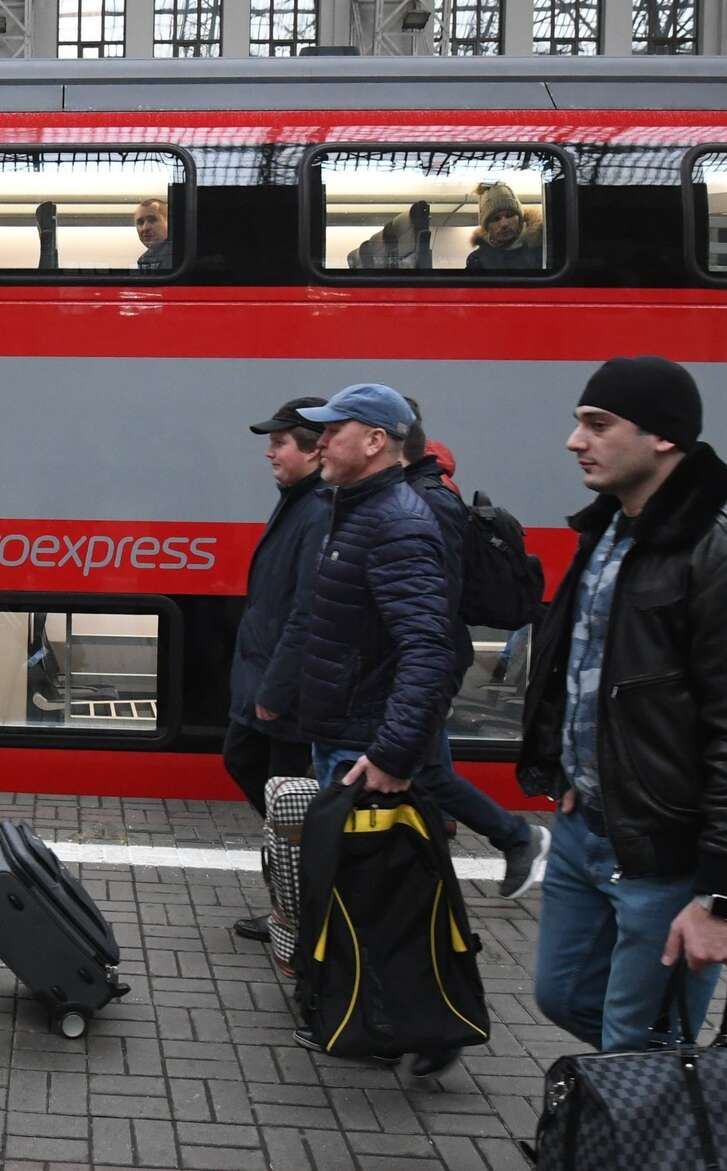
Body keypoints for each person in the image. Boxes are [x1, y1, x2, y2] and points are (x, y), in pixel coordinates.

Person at [521, 356, 727, 1052]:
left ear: (663, 437)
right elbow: (586, 671)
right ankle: (648, 1107)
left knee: (639, 1042)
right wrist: (568, 769)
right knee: (562, 994)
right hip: (588, 826)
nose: (575, 441)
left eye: (597, 424)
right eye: (577, 424)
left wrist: (723, 897)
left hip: (668, 854)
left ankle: (648, 1125)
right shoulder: (609, 532)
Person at [283, 383, 460, 1076]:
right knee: (361, 889)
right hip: (346, 732)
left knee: (374, 893)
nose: (319, 441)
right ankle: (380, 1015)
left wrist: (391, 751)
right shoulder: (354, 511)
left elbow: (427, 648)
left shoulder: (396, 522)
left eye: (334, 430)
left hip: (365, 742)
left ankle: (407, 1026)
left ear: (376, 440)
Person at [400, 400, 550, 898]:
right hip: (434, 653)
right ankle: (440, 829)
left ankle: (517, 837)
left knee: (420, 766)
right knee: (430, 765)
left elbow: (430, 593)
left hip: (428, 654)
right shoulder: (428, 489)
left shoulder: (427, 499)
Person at [225, 396, 329, 943]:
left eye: (280, 442)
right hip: (264, 677)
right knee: (248, 768)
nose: (270, 452)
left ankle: (297, 910)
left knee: (287, 804)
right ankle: (292, 898)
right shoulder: (295, 500)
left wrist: (277, 685)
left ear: (315, 451)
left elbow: (308, 611)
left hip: (284, 691)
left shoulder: (318, 510)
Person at [466, 182, 544, 271]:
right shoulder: (477, 261)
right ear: (487, 227)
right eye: (496, 219)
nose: (504, 224)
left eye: (509, 215)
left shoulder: (543, 251)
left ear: (520, 218)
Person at [133, 198, 172, 272]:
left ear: (169, 222)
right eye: (140, 222)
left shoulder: (181, 256)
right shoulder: (144, 259)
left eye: (152, 220)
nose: (145, 228)